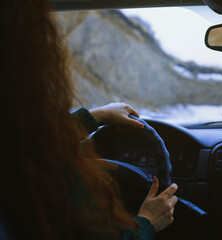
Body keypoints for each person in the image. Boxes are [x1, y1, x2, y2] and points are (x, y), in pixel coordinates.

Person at [0, 0, 177, 239]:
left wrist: (97, 116)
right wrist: (148, 221)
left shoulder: (16, 152)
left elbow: (30, 142)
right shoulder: (44, 187)